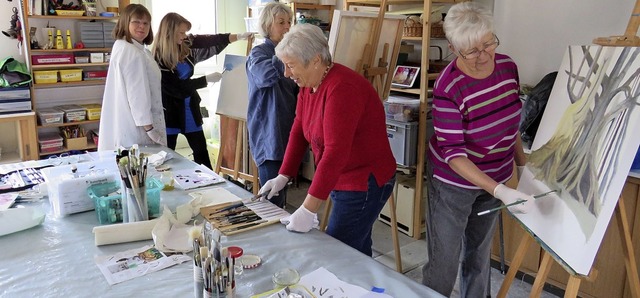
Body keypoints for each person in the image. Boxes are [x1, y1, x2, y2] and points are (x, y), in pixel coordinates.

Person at [421, 3, 533, 297]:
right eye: (471, 50)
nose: (483, 56)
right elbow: (454, 154)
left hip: (494, 178)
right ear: (453, 47)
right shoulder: (448, 86)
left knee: (479, 258)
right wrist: (499, 190)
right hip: (452, 184)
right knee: (443, 263)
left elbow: (511, 126)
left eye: (488, 44)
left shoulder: (508, 67)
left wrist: (522, 166)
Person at [259, 24, 397, 257]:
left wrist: (308, 209)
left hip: (365, 180)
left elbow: (335, 152)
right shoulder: (310, 84)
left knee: (338, 252)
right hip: (343, 176)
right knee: (356, 249)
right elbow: (299, 128)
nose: (286, 73)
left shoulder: (342, 88)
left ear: (315, 61)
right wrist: (283, 174)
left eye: (290, 65)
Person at [153, 12, 252, 169]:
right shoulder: (158, 58)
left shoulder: (184, 43)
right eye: (181, 32)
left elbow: (210, 40)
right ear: (169, 32)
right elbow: (177, 89)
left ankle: (209, 187)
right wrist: (205, 80)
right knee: (167, 156)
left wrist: (238, 36)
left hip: (189, 109)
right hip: (169, 112)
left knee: (201, 153)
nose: (184, 35)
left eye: (185, 32)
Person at [246, 2, 298, 208]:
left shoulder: (290, 56)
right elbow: (264, 76)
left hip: (287, 131)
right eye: (281, 22)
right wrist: (284, 54)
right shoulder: (258, 54)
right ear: (268, 26)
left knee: (281, 194)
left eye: (289, 22)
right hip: (268, 135)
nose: (287, 27)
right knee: (271, 200)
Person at [98, 4, 166, 151]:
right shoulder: (132, 52)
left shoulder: (123, 46)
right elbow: (138, 94)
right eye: (136, 21)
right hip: (139, 128)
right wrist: (150, 130)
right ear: (125, 22)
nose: (141, 26)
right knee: (144, 168)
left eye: (146, 23)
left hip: (127, 123)